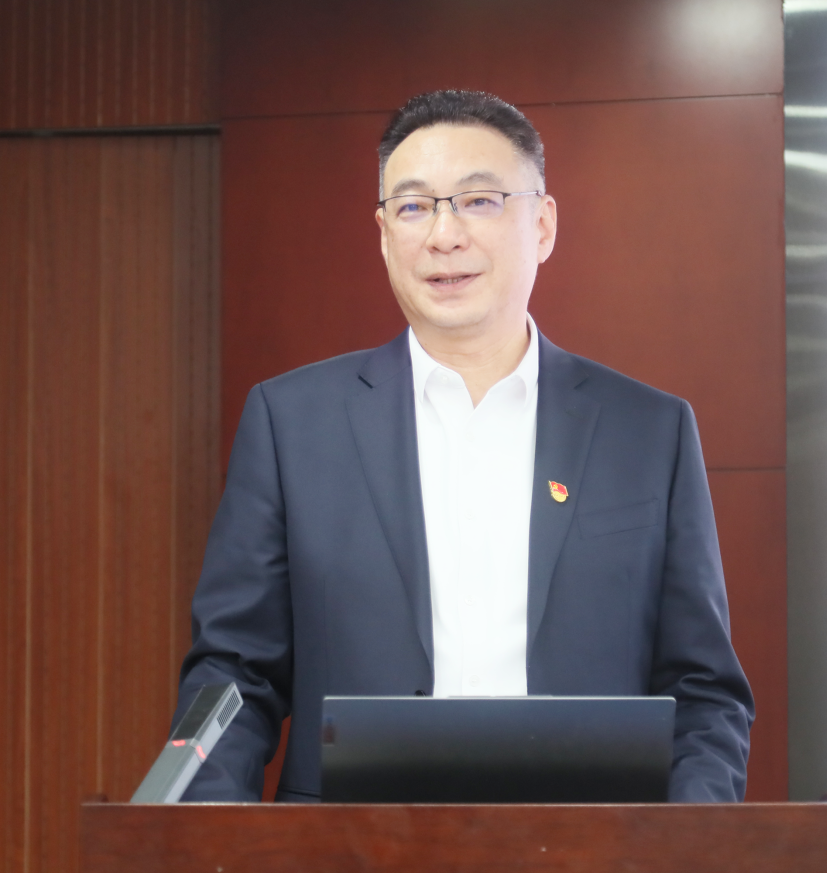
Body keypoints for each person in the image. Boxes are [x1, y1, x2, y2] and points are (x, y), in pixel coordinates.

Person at [173, 90, 754, 803]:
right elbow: (234, 673)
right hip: (349, 845)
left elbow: (703, 690)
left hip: (591, 844)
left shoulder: (647, 432)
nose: (444, 235)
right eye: (414, 207)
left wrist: (686, 840)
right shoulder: (291, 423)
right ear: (384, 234)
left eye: (479, 201)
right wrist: (207, 828)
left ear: (542, 224)